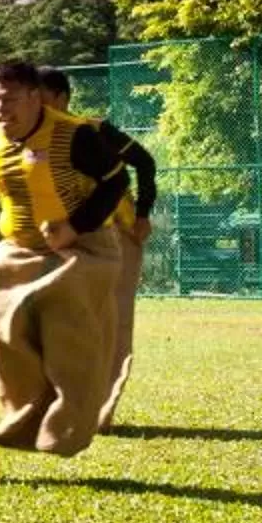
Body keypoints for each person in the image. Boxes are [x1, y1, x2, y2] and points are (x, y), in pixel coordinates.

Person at [0, 58, 134, 456]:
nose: (0, 109)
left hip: (83, 248)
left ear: (35, 98)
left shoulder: (75, 135)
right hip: (19, 248)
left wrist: (75, 226)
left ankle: (66, 430)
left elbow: (116, 181)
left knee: (66, 336)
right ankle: (22, 417)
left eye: (9, 100)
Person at [39, 67, 159, 430]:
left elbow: (144, 162)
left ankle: (99, 412)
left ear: (61, 98)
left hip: (116, 235)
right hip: (60, 241)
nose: (34, 106)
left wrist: (142, 214)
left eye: (41, 97)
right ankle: (55, 405)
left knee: (113, 322)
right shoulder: (28, 142)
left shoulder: (91, 131)